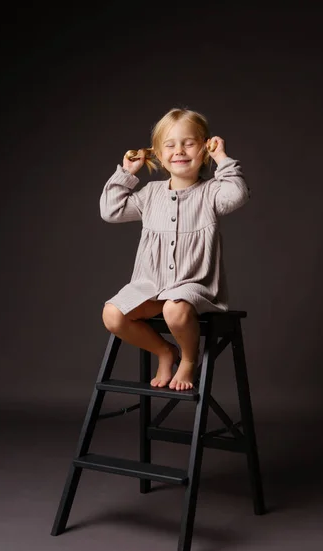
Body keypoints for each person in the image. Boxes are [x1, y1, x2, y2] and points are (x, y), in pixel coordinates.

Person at [100, 107, 250, 391]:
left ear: (204, 148)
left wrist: (222, 159)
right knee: (112, 314)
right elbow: (111, 211)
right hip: (151, 286)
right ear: (157, 154)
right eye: (170, 145)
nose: (179, 150)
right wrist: (127, 173)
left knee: (175, 309)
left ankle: (189, 360)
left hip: (194, 288)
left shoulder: (212, 192)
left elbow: (238, 194)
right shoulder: (151, 194)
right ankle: (165, 351)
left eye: (189, 143)